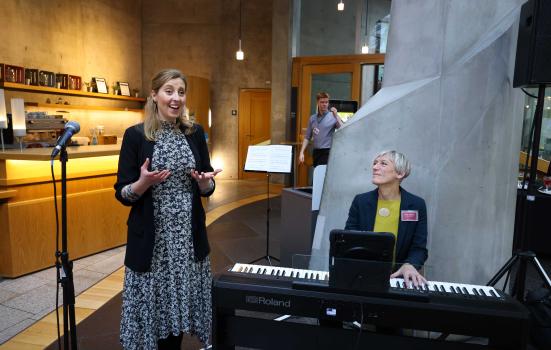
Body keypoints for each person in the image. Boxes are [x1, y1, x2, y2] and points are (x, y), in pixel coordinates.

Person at [114, 68, 221, 349]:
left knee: (179, 312)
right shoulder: (136, 136)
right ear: (154, 95)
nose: (176, 98)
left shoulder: (194, 133)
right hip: (153, 240)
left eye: (181, 92)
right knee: (154, 315)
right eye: (169, 91)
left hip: (187, 238)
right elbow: (123, 194)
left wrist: (202, 185)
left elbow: (208, 187)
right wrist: (142, 183)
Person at [345, 150, 428, 287]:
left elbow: (419, 248)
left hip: (399, 279)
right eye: (375, 163)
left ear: (400, 173)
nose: (375, 167)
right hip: (362, 277)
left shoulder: (417, 205)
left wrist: (410, 265)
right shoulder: (361, 201)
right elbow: (349, 241)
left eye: (383, 164)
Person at [299, 92, 344, 167]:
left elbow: (343, 128)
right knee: (317, 174)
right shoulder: (312, 118)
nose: (324, 104)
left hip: (327, 151)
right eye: (322, 102)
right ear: (318, 103)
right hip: (316, 151)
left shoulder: (333, 116)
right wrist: (301, 152)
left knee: (321, 174)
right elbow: (307, 137)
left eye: (326, 102)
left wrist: (336, 116)